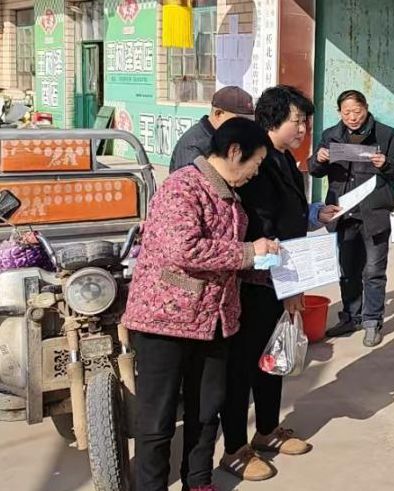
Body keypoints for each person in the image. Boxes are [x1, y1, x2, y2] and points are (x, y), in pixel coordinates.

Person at [122, 118, 278, 491]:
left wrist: (274, 267)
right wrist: (248, 252)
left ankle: (198, 481)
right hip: (165, 320)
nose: (256, 173)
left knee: (207, 410)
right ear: (235, 152)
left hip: (214, 320)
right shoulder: (182, 187)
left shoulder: (230, 196)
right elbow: (183, 249)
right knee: (157, 420)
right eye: (256, 163)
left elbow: (228, 261)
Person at [219, 85, 340, 481]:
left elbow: (289, 215)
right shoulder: (255, 163)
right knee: (241, 367)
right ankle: (234, 448)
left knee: (273, 357)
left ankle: (268, 429)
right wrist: (286, 281)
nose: (303, 129)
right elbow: (260, 227)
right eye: (297, 121)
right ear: (272, 121)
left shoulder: (286, 158)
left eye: (305, 122)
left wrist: (314, 215)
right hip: (254, 279)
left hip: (283, 273)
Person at [309, 89, 394, 347]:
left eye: (357, 111)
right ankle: (351, 317)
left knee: (374, 271)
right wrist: (319, 159)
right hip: (343, 215)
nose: (352, 118)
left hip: (374, 214)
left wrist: (385, 163)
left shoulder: (386, 135)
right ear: (339, 113)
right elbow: (314, 170)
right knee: (347, 271)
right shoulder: (331, 136)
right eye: (346, 113)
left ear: (366, 108)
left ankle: (372, 322)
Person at [169, 86, 255, 173]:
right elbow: (187, 180)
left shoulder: (224, 140)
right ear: (219, 114)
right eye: (239, 121)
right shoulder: (193, 147)